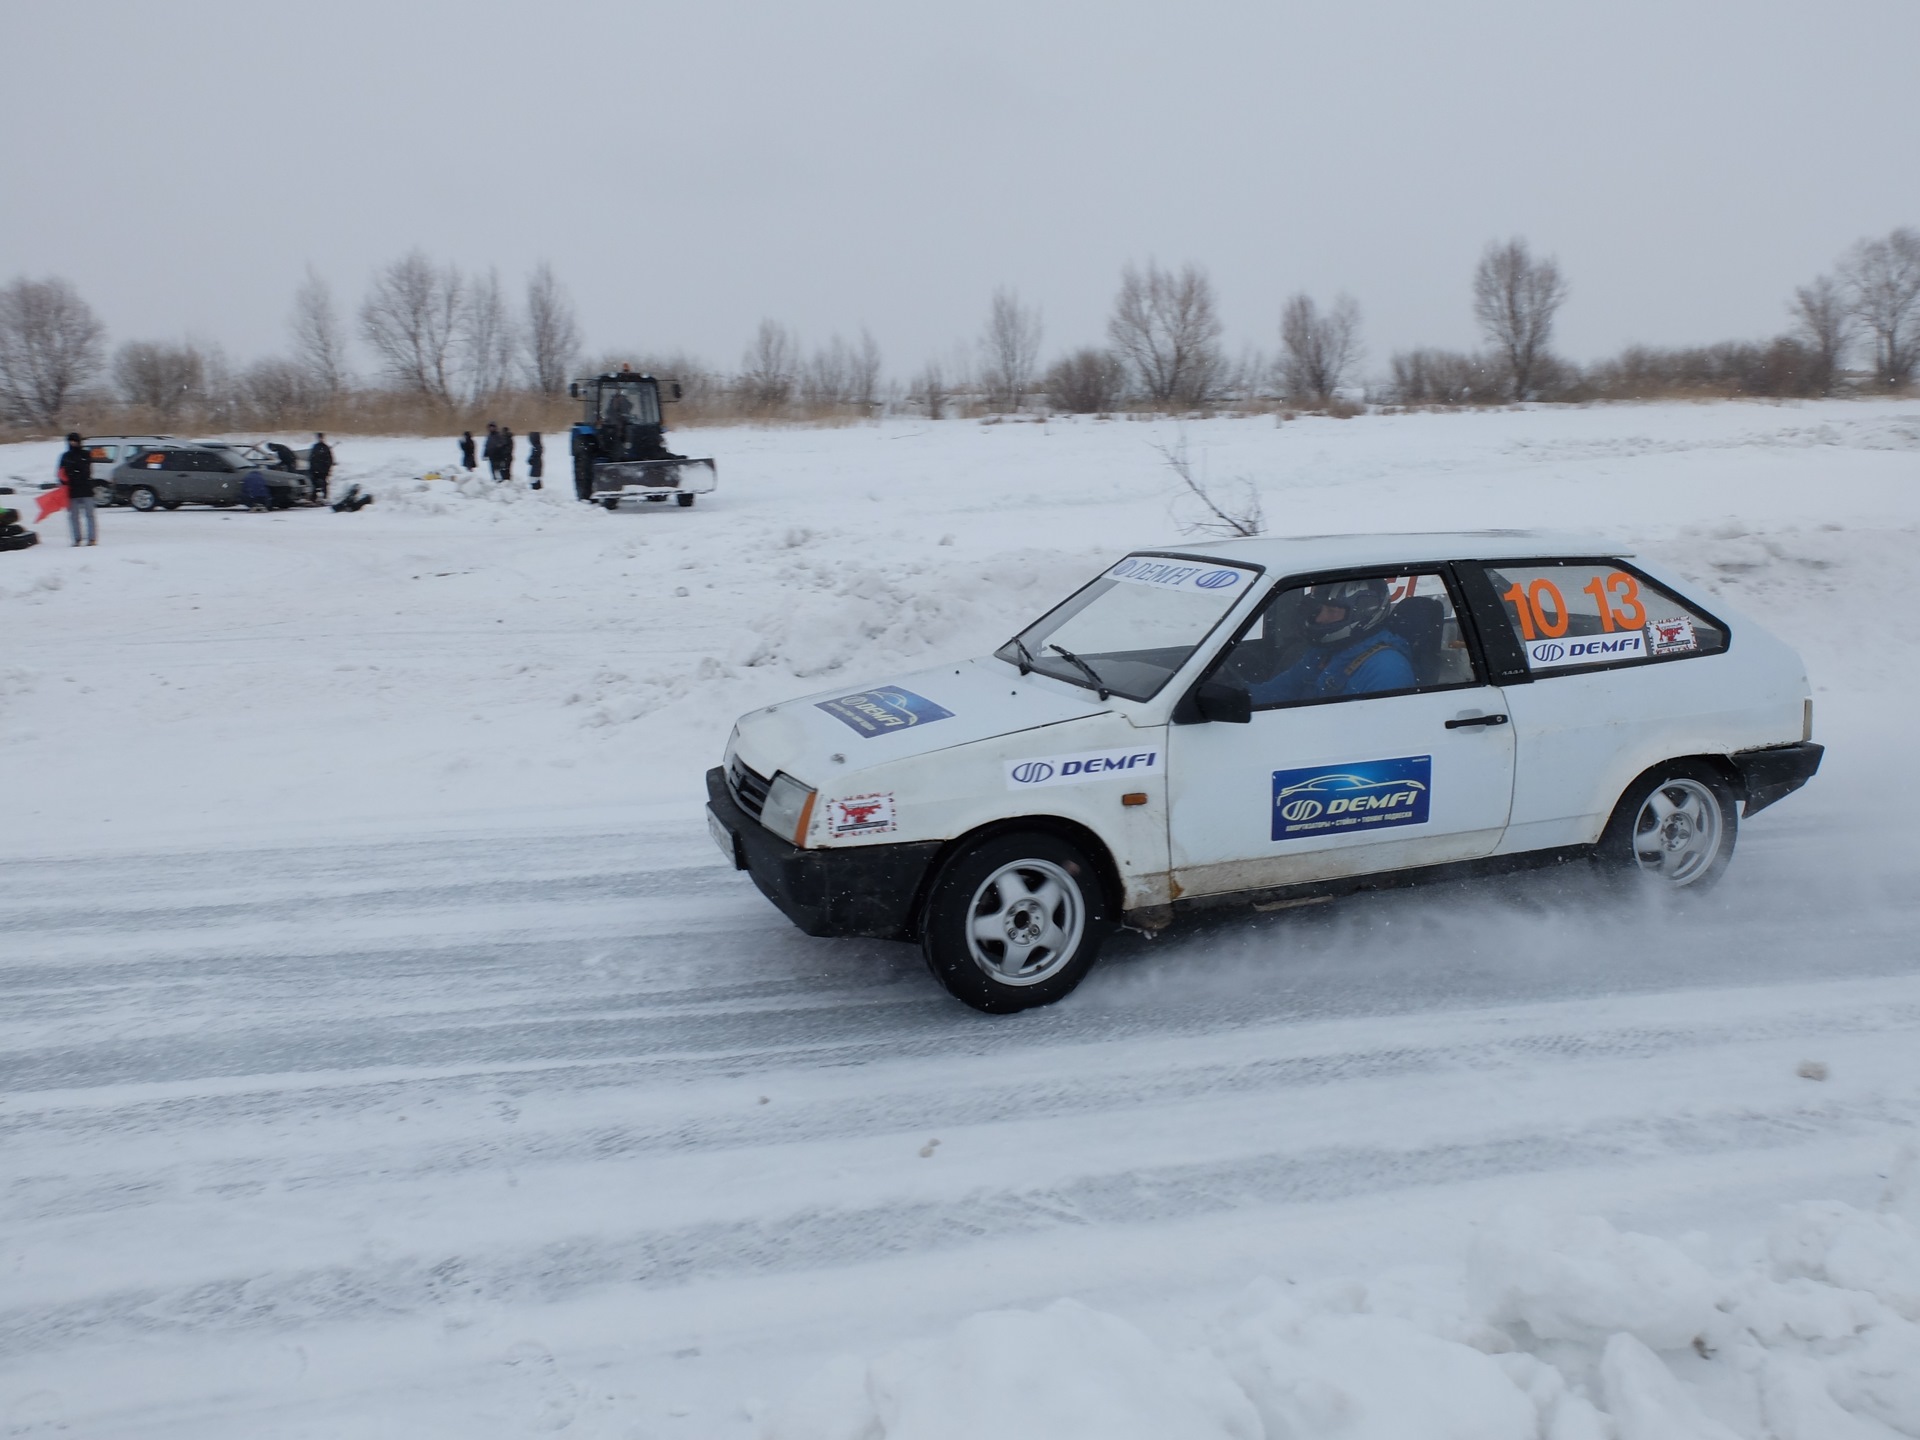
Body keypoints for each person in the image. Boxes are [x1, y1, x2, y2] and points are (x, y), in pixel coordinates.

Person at [1247, 579, 1416, 705]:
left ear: (1363, 612)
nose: (1320, 619)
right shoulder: (1323, 653)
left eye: (1332, 611)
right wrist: (1235, 696)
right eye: (1320, 610)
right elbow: (1275, 692)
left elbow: (1372, 738)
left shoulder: (1386, 670)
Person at [59, 433, 96, 546]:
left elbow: (87, 470)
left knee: (89, 515)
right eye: (71, 441)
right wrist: (64, 482)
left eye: (74, 441)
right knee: (74, 517)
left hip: (85, 489)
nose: (73, 443)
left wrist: (73, 476)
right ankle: (76, 539)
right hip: (72, 490)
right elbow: (61, 472)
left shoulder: (85, 454)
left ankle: (92, 538)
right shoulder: (65, 456)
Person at [308, 433, 334, 501]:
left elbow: (329, 460)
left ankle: (325, 497)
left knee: (324, 483)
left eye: (321, 438)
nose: (320, 439)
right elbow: (311, 459)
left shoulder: (325, 447)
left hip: (323, 470)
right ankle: (314, 497)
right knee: (314, 483)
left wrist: (327, 469)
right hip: (315, 469)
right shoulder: (315, 447)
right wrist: (312, 468)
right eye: (319, 438)